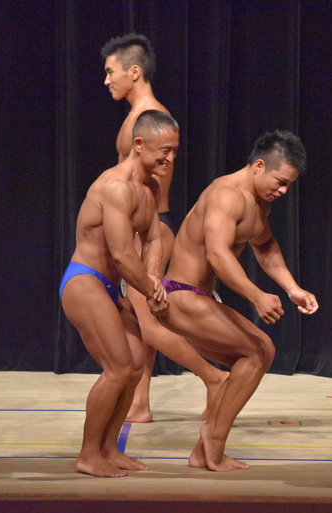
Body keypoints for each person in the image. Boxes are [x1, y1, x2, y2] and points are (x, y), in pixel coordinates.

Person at [157, 130, 319, 472]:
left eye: (289, 185)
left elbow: (266, 247)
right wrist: (256, 296)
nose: (283, 191)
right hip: (180, 294)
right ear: (259, 166)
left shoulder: (259, 203)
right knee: (259, 351)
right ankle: (213, 439)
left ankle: (204, 450)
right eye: (280, 181)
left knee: (253, 358)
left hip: (197, 297)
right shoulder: (226, 195)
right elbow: (217, 254)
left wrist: (292, 289)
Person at [101, 33, 227, 423]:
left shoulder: (151, 117)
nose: (106, 80)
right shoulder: (138, 115)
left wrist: (137, 238)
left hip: (149, 229)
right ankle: (140, 403)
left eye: (111, 71)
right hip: (144, 228)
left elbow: (151, 186)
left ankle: (215, 378)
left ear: (134, 72)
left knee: (149, 322)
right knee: (139, 321)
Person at [59, 109, 177, 477]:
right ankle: (88, 453)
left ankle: (109, 448)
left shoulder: (149, 188)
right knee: (119, 367)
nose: (170, 159)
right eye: (164, 151)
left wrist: (154, 277)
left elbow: (154, 238)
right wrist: (150, 289)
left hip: (114, 286)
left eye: (174, 151)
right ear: (139, 144)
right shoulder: (114, 187)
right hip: (85, 280)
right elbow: (124, 254)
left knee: (136, 365)